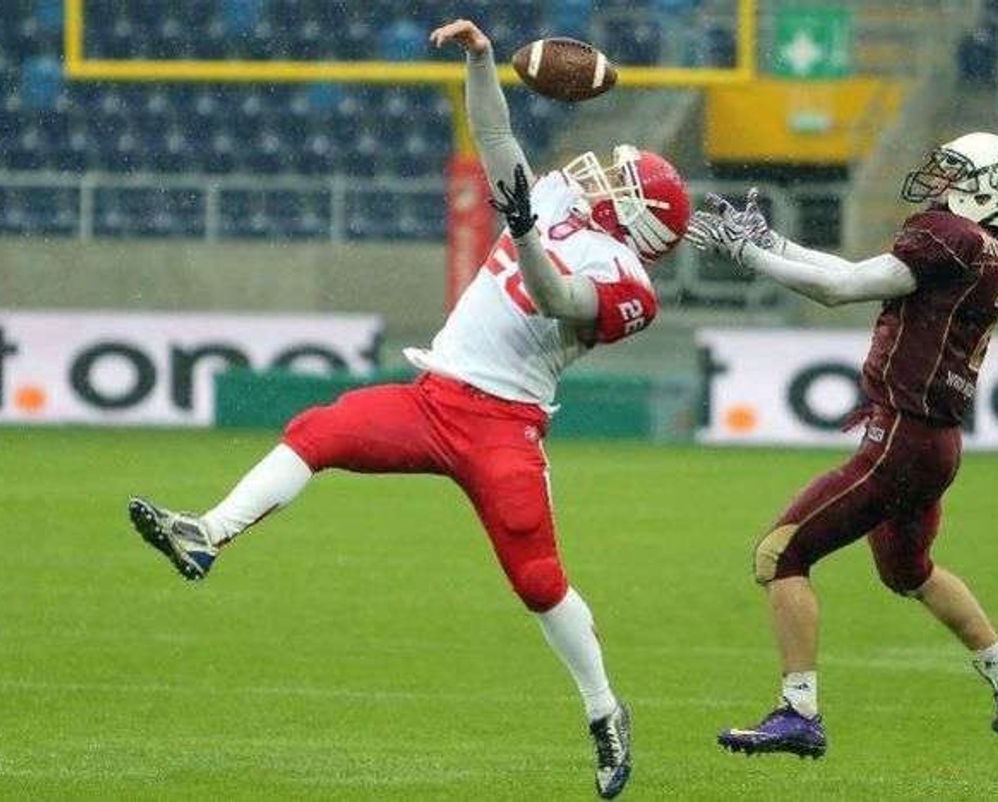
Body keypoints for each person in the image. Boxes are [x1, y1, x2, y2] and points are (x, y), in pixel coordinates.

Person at [126, 18, 689, 800]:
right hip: (434, 397)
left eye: (619, 182)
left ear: (639, 219)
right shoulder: (562, 197)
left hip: (504, 426)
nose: (599, 176)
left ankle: (603, 709)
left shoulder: (631, 284)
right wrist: (483, 63)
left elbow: (559, 297)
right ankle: (207, 533)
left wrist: (524, 232)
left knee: (537, 580)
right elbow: (496, 140)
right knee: (318, 430)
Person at [686, 132, 998, 758]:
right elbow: (852, 273)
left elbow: (840, 289)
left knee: (781, 556)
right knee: (909, 571)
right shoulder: (987, 254)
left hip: (902, 439)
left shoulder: (953, 238)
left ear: (993, 189)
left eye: (956, 173)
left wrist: (749, 255)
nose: (941, 182)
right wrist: (772, 243)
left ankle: (799, 713)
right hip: (935, 443)